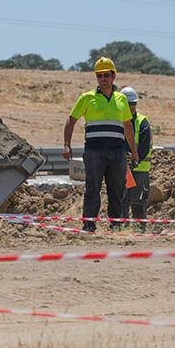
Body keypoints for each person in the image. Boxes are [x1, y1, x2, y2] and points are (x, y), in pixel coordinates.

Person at [62, 57, 138, 231]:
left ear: (113, 76)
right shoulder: (86, 98)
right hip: (94, 151)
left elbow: (128, 126)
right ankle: (89, 225)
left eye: (106, 75)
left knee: (117, 190)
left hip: (117, 152)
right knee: (92, 190)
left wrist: (133, 151)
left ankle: (116, 225)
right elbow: (71, 120)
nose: (103, 79)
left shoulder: (121, 99)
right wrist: (66, 144)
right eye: (99, 76)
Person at [120, 86, 153, 224]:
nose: (131, 107)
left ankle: (140, 228)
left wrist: (135, 159)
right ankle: (120, 227)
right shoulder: (116, 120)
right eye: (129, 104)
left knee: (139, 200)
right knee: (121, 200)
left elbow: (145, 145)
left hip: (140, 169)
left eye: (133, 103)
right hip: (121, 168)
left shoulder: (142, 121)